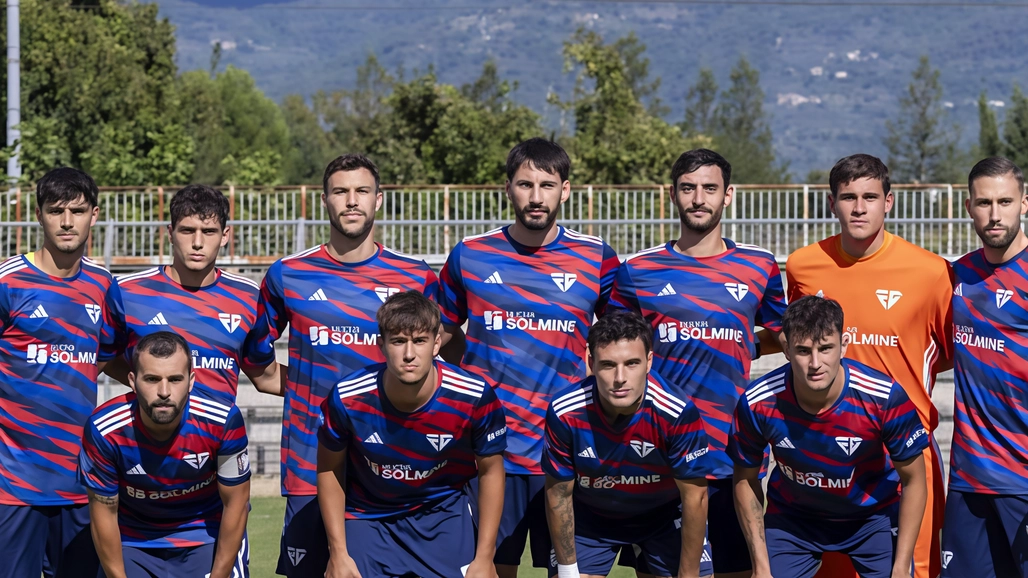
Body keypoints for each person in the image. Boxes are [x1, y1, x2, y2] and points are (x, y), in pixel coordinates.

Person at [242, 153, 441, 577]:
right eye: (341, 192)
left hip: (392, 465)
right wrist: (302, 389)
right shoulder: (288, 275)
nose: (352, 201)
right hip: (310, 464)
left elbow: (434, 360)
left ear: (379, 200)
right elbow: (257, 364)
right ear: (325, 200)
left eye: (362, 191)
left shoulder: (416, 276)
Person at [438, 137, 620, 577]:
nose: (536, 197)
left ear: (566, 189)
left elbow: (620, 343)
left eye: (546, 184)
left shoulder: (597, 258)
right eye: (525, 184)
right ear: (508, 189)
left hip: (567, 451)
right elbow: (439, 334)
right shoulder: (470, 255)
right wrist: (473, 370)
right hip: (489, 452)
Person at [608, 148, 786, 578]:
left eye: (709, 188)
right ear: (673, 194)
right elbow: (614, 350)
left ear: (728, 196)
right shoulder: (639, 270)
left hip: (732, 456)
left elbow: (782, 334)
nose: (698, 198)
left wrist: (747, 346)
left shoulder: (759, 266)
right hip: (659, 459)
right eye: (688, 188)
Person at [785, 154, 952, 578]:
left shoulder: (932, 274)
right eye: (848, 197)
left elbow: (952, 351)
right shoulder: (802, 266)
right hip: (824, 460)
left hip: (905, 460)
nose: (859, 208)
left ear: (889, 202)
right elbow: (791, 339)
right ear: (832, 203)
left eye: (870, 197)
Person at [730, 296, 928, 578]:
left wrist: (900, 569)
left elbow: (914, 479)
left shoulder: (883, 397)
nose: (815, 363)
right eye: (802, 350)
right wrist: (761, 567)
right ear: (785, 348)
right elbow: (745, 479)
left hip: (873, 517)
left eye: (825, 349)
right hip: (792, 520)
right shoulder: (757, 402)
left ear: (844, 345)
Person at [317, 290, 506, 578]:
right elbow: (329, 469)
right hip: (369, 516)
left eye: (419, 341)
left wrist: (485, 557)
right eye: (398, 341)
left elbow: (491, 472)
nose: (408, 354)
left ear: (436, 344)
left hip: (443, 513)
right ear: (381, 345)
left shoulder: (473, 397)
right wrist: (338, 553)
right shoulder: (347, 398)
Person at [0, 167, 125, 578]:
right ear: (39, 214)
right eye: (56, 211)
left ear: (95, 214)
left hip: (80, 483)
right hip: (13, 486)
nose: (67, 221)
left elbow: (105, 357)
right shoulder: (9, 282)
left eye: (78, 210)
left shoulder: (104, 285)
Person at [543, 310, 713, 578]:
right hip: (591, 520)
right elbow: (559, 495)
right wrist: (567, 572)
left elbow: (695, 496)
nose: (619, 377)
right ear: (591, 362)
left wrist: (688, 575)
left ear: (649, 361)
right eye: (608, 364)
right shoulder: (565, 412)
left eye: (631, 363)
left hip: (665, 518)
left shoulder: (677, 412)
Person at [79, 331, 250, 578]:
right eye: (151, 379)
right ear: (132, 380)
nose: (164, 391)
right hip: (133, 539)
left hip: (206, 533)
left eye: (175, 379)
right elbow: (104, 512)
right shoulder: (105, 429)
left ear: (191, 381)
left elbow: (236, 503)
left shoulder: (223, 421)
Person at [109, 184, 284, 402]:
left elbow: (266, 376)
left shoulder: (247, 296)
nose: (198, 243)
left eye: (209, 232)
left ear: (225, 235)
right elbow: (103, 360)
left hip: (219, 435)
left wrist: (328, 387)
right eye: (187, 231)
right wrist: (150, 389)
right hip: (148, 435)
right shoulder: (127, 291)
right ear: (170, 233)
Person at [942, 157, 1028, 578]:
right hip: (967, 478)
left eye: (1005, 201)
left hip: (1023, 482)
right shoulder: (958, 275)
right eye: (984, 203)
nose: (995, 215)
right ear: (968, 206)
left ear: (1025, 203)